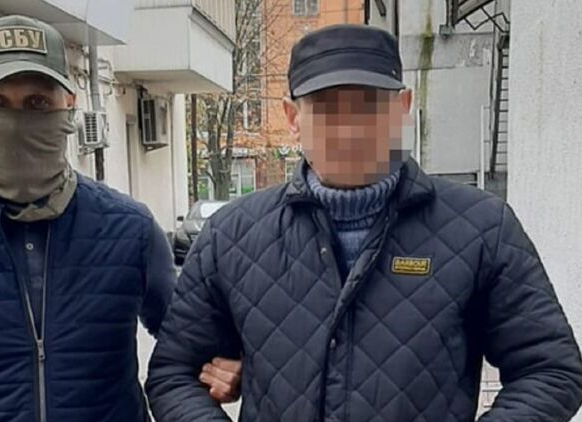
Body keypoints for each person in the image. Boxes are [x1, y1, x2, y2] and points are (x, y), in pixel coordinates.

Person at [146, 24, 582, 421]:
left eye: (369, 106)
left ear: (402, 108)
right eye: (327, 108)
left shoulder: (481, 227)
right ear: (293, 118)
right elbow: (174, 375)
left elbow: (551, 370)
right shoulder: (233, 235)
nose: (350, 130)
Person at [0, 15, 239, 421]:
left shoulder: (131, 231)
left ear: (69, 105)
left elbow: (192, 352)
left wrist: (227, 367)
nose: (15, 122)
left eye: (37, 103)